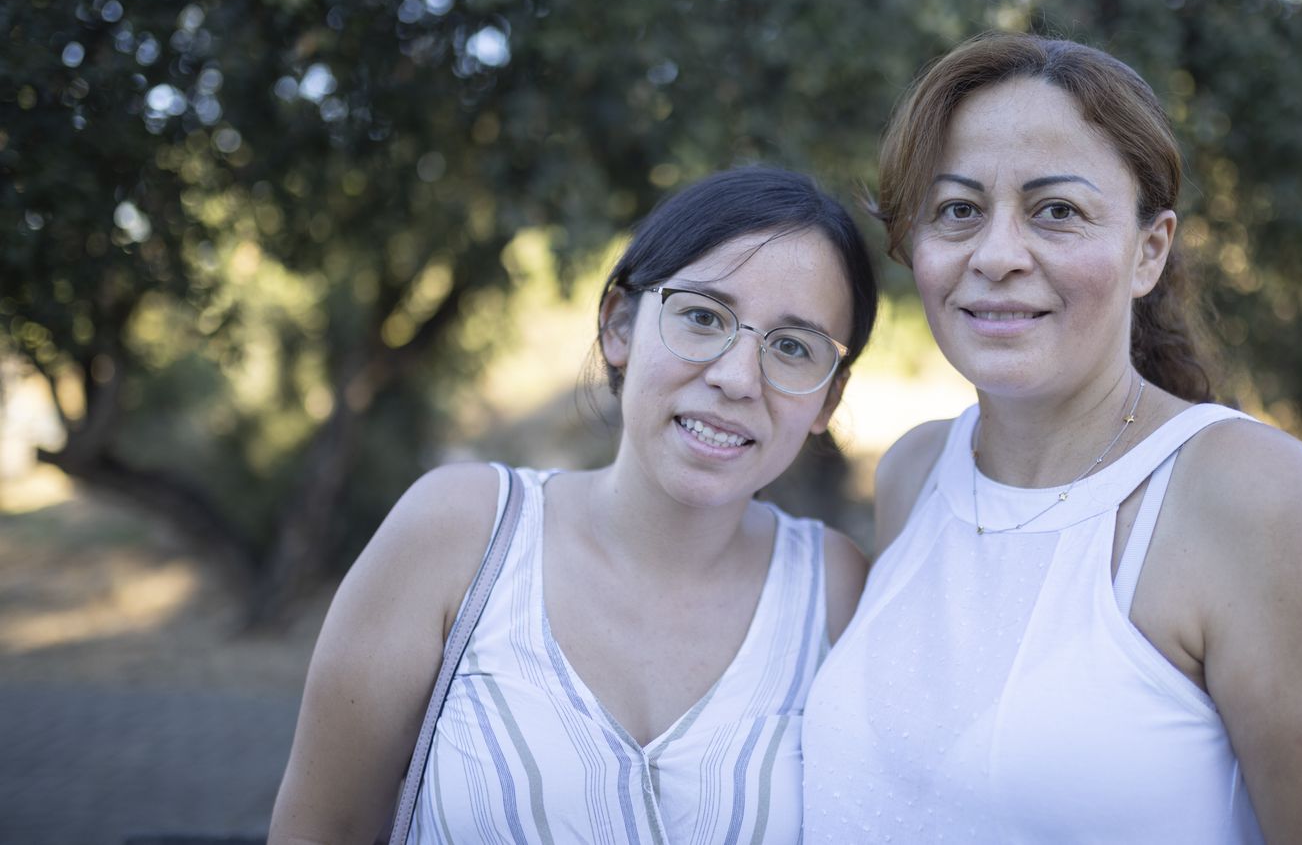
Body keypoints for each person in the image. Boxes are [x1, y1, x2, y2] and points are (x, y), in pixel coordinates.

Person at [802, 33, 1302, 843]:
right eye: (958, 210)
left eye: (1056, 211)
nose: (996, 255)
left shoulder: (1252, 496)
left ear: (1149, 251)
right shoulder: (916, 472)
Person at [269, 166, 877, 844]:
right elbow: (323, 830)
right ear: (619, 325)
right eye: (703, 317)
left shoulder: (839, 592)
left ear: (828, 398)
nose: (736, 378)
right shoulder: (459, 532)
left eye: (792, 347)